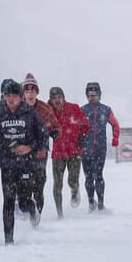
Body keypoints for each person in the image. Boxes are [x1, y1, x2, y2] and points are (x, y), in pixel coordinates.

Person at [0, 79, 48, 245]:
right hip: (7, 165)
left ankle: (32, 210)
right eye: (7, 96)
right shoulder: (0, 115)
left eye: (14, 96)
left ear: (21, 97)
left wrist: (29, 147)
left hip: (26, 164)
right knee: (8, 201)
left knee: (22, 202)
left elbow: (43, 137)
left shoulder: (30, 114)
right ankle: (9, 240)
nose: (10, 99)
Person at [48, 86, 90, 218]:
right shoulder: (47, 111)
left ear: (63, 97)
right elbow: (43, 125)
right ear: (50, 99)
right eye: (54, 98)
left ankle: (74, 191)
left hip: (74, 150)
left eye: (59, 97)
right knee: (57, 184)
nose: (57, 100)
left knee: (72, 180)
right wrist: (48, 131)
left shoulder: (74, 108)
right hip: (58, 153)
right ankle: (59, 214)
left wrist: (82, 136)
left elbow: (85, 124)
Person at [21, 73, 59, 217]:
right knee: (24, 186)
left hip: (40, 153)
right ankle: (26, 208)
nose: (30, 94)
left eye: (33, 91)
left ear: (37, 92)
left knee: (38, 185)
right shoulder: (18, 108)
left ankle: (37, 216)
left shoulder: (44, 108)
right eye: (27, 91)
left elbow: (56, 126)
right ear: (23, 93)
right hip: (22, 154)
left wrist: (54, 132)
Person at [80, 81, 120, 211]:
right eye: (90, 95)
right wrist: (76, 142)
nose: (92, 97)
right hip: (85, 149)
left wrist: (115, 139)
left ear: (99, 95)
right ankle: (91, 202)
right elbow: (75, 128)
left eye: (95, 95)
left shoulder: (106, 110)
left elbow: (115, 124)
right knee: (88, 177)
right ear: (87, 96)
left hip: (100, 149)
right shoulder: (82, 110)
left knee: (98, 175)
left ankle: (101, 203)